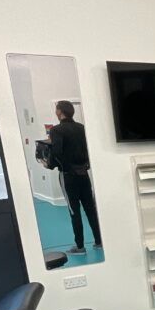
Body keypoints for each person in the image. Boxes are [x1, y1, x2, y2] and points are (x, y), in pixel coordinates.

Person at [49, 100, 102, 255]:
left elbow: (56, 152)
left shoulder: (56, 130)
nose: (56, 112)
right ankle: (99, 241)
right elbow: (88, 150)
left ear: (60, 111)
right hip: (84, 175)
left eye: (56, 109)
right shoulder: (81, 128)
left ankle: (79, 247)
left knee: (74, 211)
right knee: (90, 209)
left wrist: (49, 164)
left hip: (68, 176)